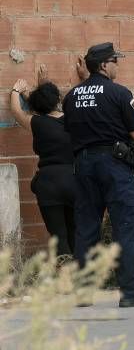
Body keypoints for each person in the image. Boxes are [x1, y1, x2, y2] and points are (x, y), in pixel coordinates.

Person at [62, 42, 134, 308]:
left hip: (83, 164)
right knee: (125, 227)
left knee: (86, 229)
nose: (117, 65)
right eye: (115, 61)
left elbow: (70, 130)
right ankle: (130, 293)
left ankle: (83, 292)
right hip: (114, 164)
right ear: (103, 65)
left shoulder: (71, 96)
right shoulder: (120, 93)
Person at [9, 67, 76, 256]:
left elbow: (16, 111)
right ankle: (82, 278)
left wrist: (16, 91)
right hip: (74, 180)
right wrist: (43, 85)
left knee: (58, 236)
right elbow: (48, 104)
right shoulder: (72, 120)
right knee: (75, 232)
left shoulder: (37, 123)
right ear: (59, 100)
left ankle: (65, 278)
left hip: (49, 183)